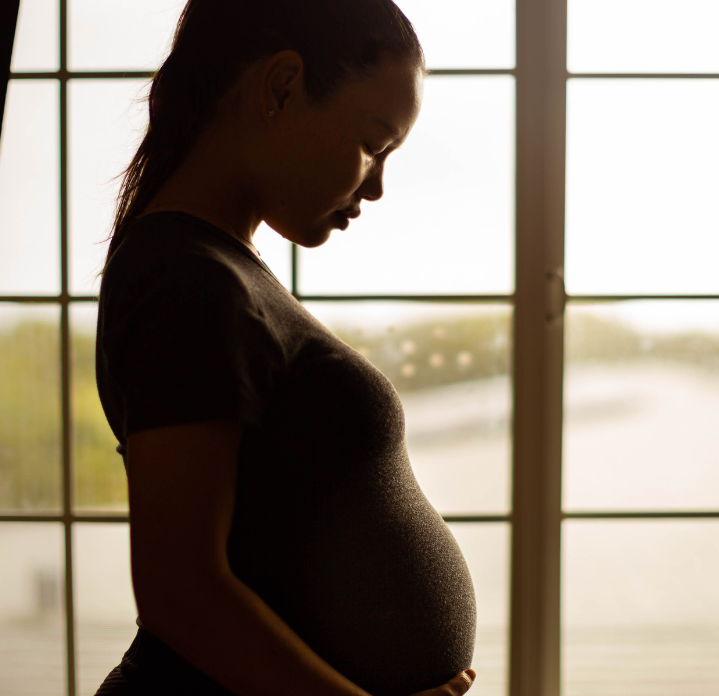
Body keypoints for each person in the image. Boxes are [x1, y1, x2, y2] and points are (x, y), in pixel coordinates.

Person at [92, 2, 478, 695]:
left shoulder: (218, 270)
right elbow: (182, 594)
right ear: (279, 87)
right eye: (372, 143)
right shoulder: (186, 280)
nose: (378, 186)